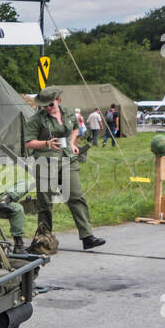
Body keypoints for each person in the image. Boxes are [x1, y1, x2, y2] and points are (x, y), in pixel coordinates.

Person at [22, 86, 105, 250]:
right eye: (44, 105)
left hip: (67, 159)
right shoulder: (37, 119)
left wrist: (72, 143)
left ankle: (87, 236)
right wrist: (46, 143)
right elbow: (29, 142)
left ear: (58, 101)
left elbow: (75, 126)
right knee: (45, 201)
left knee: (76, 196)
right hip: (46, 160)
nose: (48, 108)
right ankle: (44, 239)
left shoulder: (67, 112)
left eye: (50, 104)